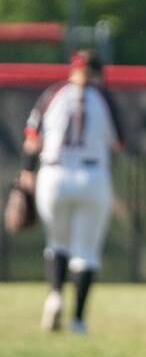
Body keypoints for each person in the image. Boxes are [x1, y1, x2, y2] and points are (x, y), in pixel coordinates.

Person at [19, 50, 125, 334]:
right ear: (98, 73)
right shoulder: (104, 98)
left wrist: (27, 172)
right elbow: (119, 143)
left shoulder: (53, 94)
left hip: (53, 175)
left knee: (57, 243)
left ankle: (54, 295)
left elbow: (32, 140)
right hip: (92, 177)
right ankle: (77, 320)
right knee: (86, 252)